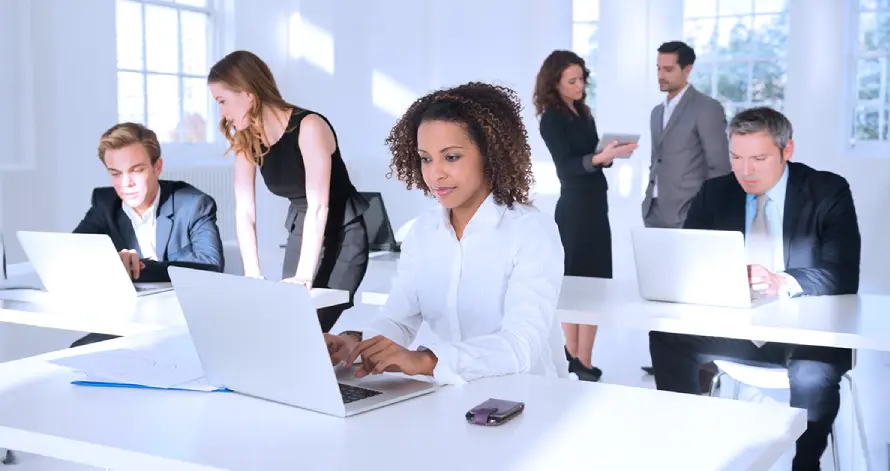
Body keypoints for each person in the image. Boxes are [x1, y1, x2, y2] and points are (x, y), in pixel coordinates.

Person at [649, 107, 861, 471]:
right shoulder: (714, 193)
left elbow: (843, 273)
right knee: (667, 337)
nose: (745, 171)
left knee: (812, 375)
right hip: (739, 331)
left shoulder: (828, 191)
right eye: (736, 157)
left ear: (787, 150)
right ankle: (686, 447)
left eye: (759, 158)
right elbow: (688, 258)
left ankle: (805, 464)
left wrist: (783, 281)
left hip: (806, 335)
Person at [322, 82, 567, 385]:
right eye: (426, 158)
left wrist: (427, 360)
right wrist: (353, 345)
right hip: (451, 398)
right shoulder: (423, 231)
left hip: (528, 398)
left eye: (451, 157)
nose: (435, 173)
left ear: (490, 154)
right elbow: (399, 319)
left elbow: (521, 345)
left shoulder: (531, 232)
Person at [208, 50, 369, 333]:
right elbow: (245, 211)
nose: (221, 113)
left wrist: (305, 275)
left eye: (222, 101)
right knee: (287, 327)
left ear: (247, 93)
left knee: (307, 328)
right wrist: (252, 273)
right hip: (302, 231)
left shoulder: (309, 126)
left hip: (343, 233)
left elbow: (319, 206)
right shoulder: (248, 139)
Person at [70, 122, 225, 347]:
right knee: (78, 352)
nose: (126, 184)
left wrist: (138, 267)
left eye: (136, 170)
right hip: (131, 323)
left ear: (157, 167)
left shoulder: (193, 204)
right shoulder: (105, 204)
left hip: (187, 325)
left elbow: (211, 264)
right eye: (115, 174)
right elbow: (75, 250)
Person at [534, 50, 636, 381]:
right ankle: (574, 356)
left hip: (595, 203)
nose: (580, 86)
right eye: (572, 81)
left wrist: (608, 155)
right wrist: (599, 158)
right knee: (575, 282)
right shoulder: (551, 118)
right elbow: (567, 166)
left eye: (582, 79)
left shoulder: (583, 113)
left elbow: (590, 158)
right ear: (555, 83)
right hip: (574, 207)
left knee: (595, 282)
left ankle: (584, 359)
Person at [640, 41, 730, 377]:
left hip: (691, 215)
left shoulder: (706, 108)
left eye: (668, 69)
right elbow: (658, 160)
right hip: (657, 212)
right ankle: (667, 358)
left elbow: (719, 167)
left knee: (694, 297)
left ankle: (705, 368)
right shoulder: (656, 112)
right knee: (663, 294)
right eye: (658, 68)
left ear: (687, 70)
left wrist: (709, 215)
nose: (661, 75)